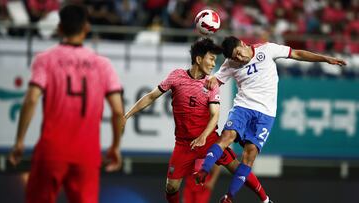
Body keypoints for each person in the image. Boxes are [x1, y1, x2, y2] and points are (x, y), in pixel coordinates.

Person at [195, 36, 347, 203]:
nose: (238, 59)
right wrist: (208, 81)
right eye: (234, 57)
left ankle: (229, 198)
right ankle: (204, 170)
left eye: (238, 53)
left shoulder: (267, 50)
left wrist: (325, 59)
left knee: (249, 155)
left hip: (266, 114)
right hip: (243, 108)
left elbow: (297, 54)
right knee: (227, 136)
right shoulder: (230, 64)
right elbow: (215, 80)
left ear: (243, 44)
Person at [123, 37, 272, 203]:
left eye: (215, 59)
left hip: (208, 140)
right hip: (183, 144)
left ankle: (265, 199)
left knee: (238, 168)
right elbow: (151, 96)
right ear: (199, 59)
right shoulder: (176, 77)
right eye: (211, 58)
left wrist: (204, 136)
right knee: (171, 187)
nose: (213, 63)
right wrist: (126, 116)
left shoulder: (211, 84)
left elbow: (215, 114)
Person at [8, 4, 125, 203]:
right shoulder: (103, 65)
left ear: (59, 28)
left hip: (51, 151)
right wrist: (115, 146)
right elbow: (117, 110)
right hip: (87, 154)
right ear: (86, 28)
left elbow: (31, 99)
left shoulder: (45, 60)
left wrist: (19, 141)